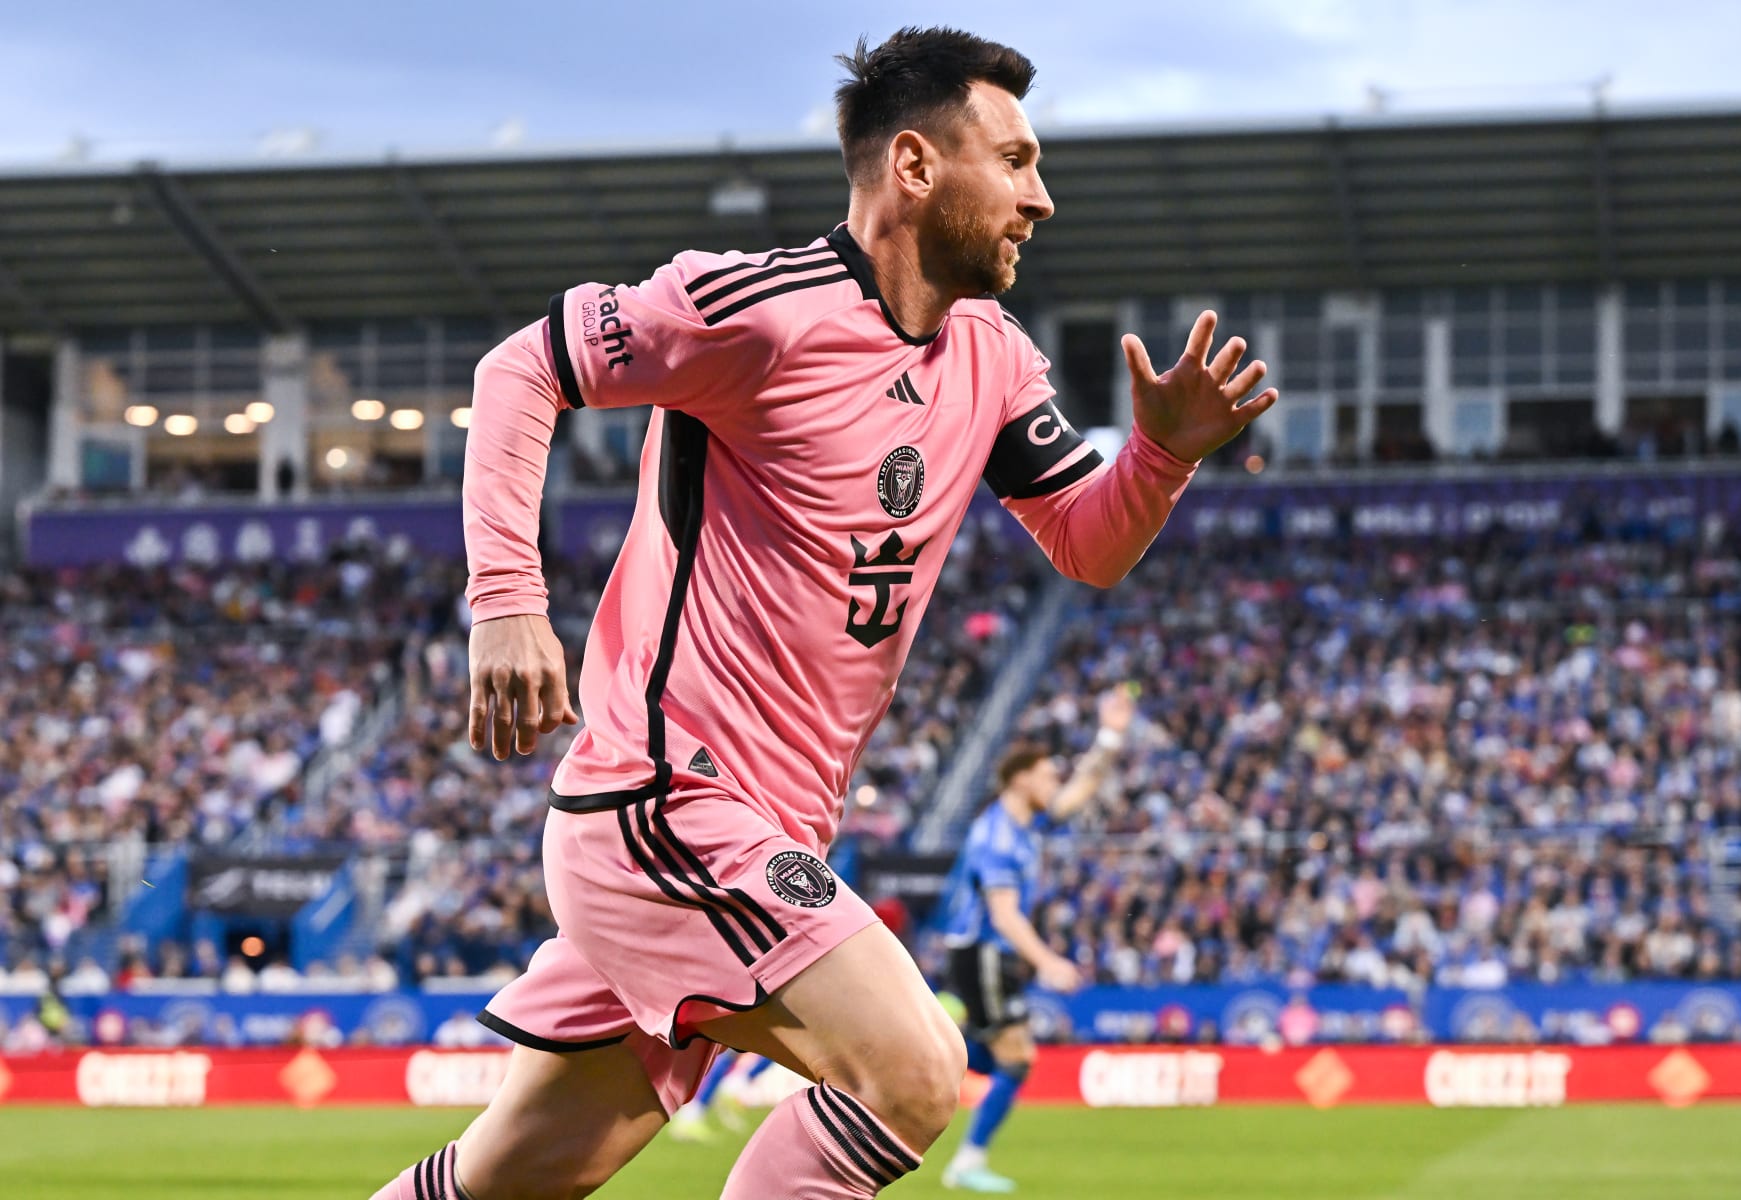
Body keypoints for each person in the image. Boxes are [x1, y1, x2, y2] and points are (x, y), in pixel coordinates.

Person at [370, 25, 1274, 1200]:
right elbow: (518, 370)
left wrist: (1158, 455)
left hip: (768, 832)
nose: (1040, 198)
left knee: (506, 1176)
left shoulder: (994, 356)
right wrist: (505, 601)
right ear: (913, 166)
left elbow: (1087, 543)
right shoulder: (754, 311)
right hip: (669, 806)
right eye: (1014, 160)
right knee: (912, 1073)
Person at [937, 686, 1133, 1192]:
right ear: (1021, 779)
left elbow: (1082, 790)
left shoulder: (1025, 823)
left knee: (1000, 1056)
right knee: (1018, 1057)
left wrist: (1110, 734)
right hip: (983, 952)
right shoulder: (996, 838)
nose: (1055, 782)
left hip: (992, 956)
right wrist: (1047, 961)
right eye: (1047, 775)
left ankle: (932, 1045)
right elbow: (1003, 916)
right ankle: (967, 1160)